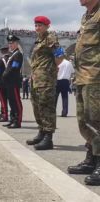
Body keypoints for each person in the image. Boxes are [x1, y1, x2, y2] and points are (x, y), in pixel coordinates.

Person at [67, 0, 100, 186]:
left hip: (96, 75)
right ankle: (92, 158)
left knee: (96, 119)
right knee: (85, 120)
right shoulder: (87, 16)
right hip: (82, 75)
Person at [26, 16, 58, 150]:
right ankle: (41, 132)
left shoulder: (50, 38)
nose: (37, 28)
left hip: (45, 79)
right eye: (36, 25)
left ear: (47, 26)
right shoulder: (38, 40)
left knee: (46, 107)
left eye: (40, 25)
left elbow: (60, 56)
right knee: (37, 106)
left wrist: (51, 71)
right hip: (36, 79)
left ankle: (48, 137)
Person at [2, 35, 23, 129]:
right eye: (9, 43)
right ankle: (12, 119)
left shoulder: (18, 54)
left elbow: (15, 67)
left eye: (12, 43)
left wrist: (5, 75)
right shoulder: (12, 55)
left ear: (16, 43)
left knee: (16, 102)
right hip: (9, 82)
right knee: (11, 101)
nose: (10, 45)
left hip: (14, 81)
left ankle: (17, 121)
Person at [55, 48, 74, 117]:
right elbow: (72, 71)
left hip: (57, 81)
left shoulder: (58, 63)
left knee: (55, 97)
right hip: (66, 81)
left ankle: (53, 111)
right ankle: (64, 112)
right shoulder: (69, 63)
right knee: (65, 97)